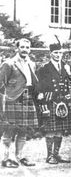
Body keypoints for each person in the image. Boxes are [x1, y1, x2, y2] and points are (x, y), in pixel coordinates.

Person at [0, 38, 38, 168]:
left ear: (30, 49)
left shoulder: (31, 63)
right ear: (17, 48)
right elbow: (1, 84)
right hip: (13, 99)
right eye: (22, 47)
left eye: (27, 47)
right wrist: (7, 99)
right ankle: (5, 159)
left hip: (27, 98)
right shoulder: (9, 64)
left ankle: (20, 156)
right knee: (8, 131)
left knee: (23, 130)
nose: (25, 50)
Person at [36, 39, 71, 164]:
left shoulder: (65, 67)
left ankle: (57, 154)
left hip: (62, 102)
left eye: (60, 53)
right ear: (50, 53)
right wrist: (43, 103)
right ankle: (49, 156)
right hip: (50, 101)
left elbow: (69, 83)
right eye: (56, 52)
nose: (58, 55)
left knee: (60, 129)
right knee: (51, 129)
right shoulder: (44, 68)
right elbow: (39, 87)